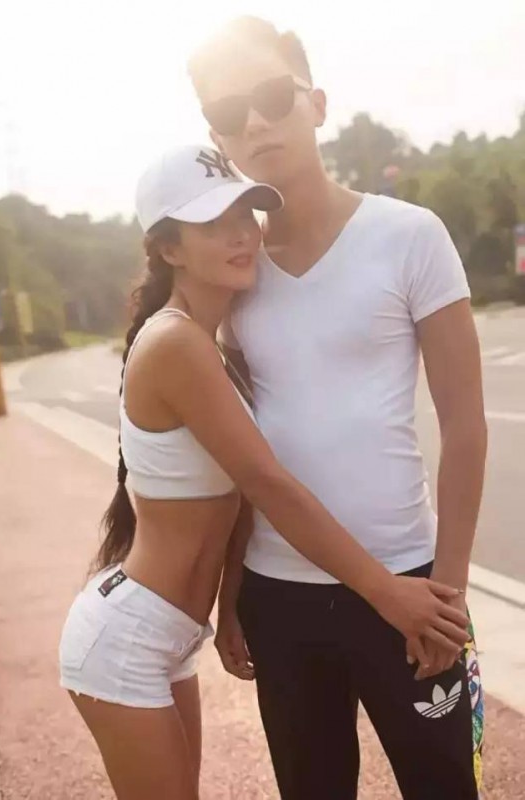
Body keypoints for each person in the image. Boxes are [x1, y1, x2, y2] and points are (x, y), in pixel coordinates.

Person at [58, 144, 470, 800]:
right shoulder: (177, 343)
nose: (241, 235)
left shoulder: (212, 341)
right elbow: (267, 483)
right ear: (168, 249)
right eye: (213, 223)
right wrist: (388, 594)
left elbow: (232, 503)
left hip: (169, 638)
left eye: (244, 215)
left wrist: (229, 596)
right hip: (127, 641)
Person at [188, 17, 488, 800]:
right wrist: (231, 590)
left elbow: (465, 427)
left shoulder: (410, 236)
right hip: (278, 596)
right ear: (218, 138)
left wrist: (449, 593)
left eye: (272, 96)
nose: (256, 122)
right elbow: (242, 456)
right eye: (229, 113)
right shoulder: (235, 273)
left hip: (408, 584)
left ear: (316, 103)